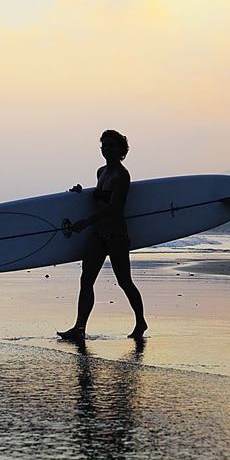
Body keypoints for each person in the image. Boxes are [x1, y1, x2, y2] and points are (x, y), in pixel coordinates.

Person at [58, 130, 148, 341]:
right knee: (86, 280)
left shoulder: (122, 175)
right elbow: (98, 200)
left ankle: (141, 322)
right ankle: (79, 327)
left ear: (121, 150)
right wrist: (79, 195)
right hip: (98, 234)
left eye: (111, 145)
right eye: (104, 145)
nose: (106, 149)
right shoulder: (101, 172)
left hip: (116, 235)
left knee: (124, 281)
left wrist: (87, 221)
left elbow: (115, 206)